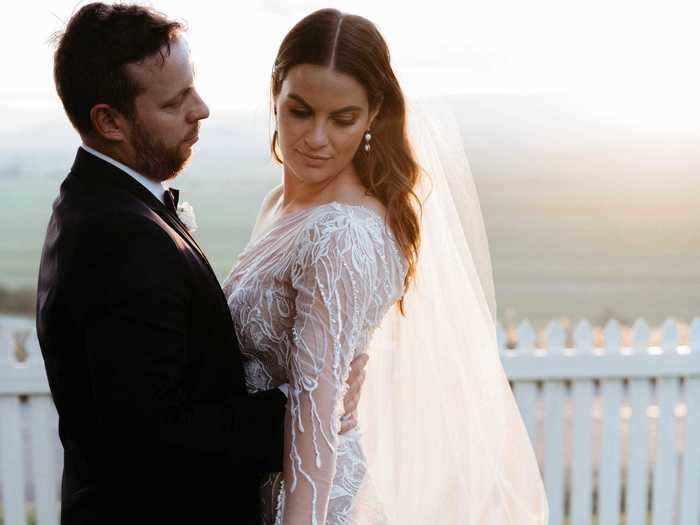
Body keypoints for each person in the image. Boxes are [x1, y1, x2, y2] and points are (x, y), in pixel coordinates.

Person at [36, 4, 367, 524]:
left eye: (193, 87)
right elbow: (157, 436)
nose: (202, 109)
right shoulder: (119, 235)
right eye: (175, 102)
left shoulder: (103, 202)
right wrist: (306, 405)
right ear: (109, 121)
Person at [223, 8, 549, 525]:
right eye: (300, 111)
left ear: (374, 114)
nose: (316, 138)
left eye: (343, 118)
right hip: (245, 477)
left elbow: (316, 424)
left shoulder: (343, 236)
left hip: (303, 500)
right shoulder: (277, 205)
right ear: (275, 96)